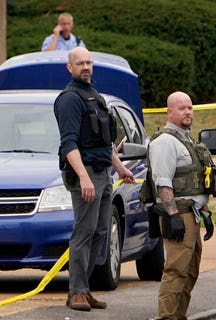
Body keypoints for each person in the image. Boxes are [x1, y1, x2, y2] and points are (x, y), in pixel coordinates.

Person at [54, 47, 134, 311]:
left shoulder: (94, 95)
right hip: (85, 175)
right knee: (84, 232)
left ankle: (83, 288)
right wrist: (84, 178)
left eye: (89, 62)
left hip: (104, 173)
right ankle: (76, 291)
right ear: (70, 68)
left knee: (100, 233)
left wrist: (120, 167)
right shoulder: (70, 99)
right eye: (80, 63)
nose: (86, 67)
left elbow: (104, 140)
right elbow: (69, 144)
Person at [148, 91, 215, 320]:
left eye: (190, 107)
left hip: (193, 214)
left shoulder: (187, 140)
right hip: (179, 214)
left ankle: (179, 315)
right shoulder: (165, 142)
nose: (187, 112)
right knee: (176, 270)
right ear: (169, 112)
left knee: (191, 270)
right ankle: (166, 317)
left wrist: (205, 213)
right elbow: (162, 181)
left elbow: (196, 182)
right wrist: (173, 215)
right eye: (181, 108)